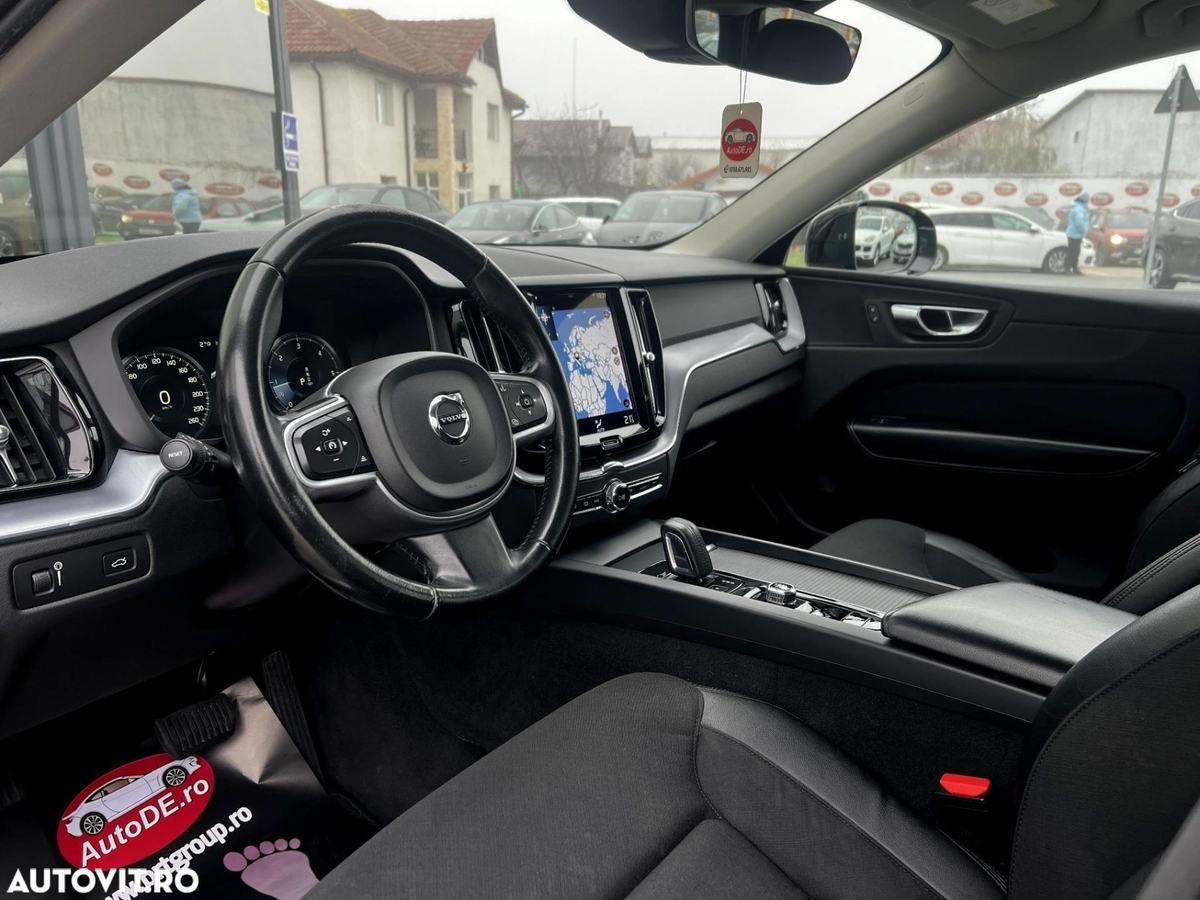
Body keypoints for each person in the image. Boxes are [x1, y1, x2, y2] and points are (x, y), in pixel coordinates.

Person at [1064, 191, 1090, 275]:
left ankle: (1072, 268)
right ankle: (1070, 268)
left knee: (1073, 252)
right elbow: (1079, 222)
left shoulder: (1077, 207)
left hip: (1073, 233)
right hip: (1075, 234)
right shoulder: (1080, 209)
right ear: (1085, 200)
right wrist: (1084, 230)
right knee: (1074, 253)